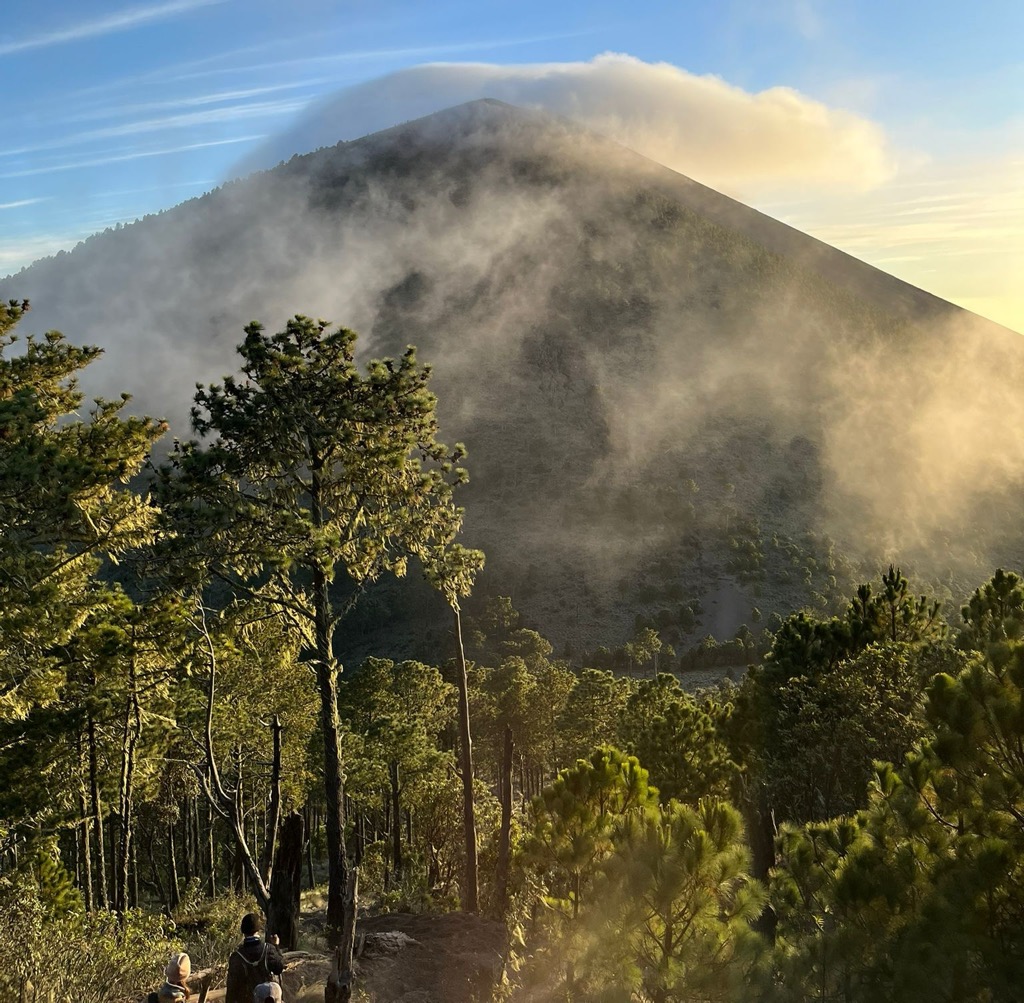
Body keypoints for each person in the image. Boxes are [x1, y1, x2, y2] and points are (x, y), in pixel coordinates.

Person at [225, 913, 285, 1003]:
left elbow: (232, 989)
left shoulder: (236, 956)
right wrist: (276, 946)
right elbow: (279, 968)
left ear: (243, 932)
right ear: (258, 930)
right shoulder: (268, 949)